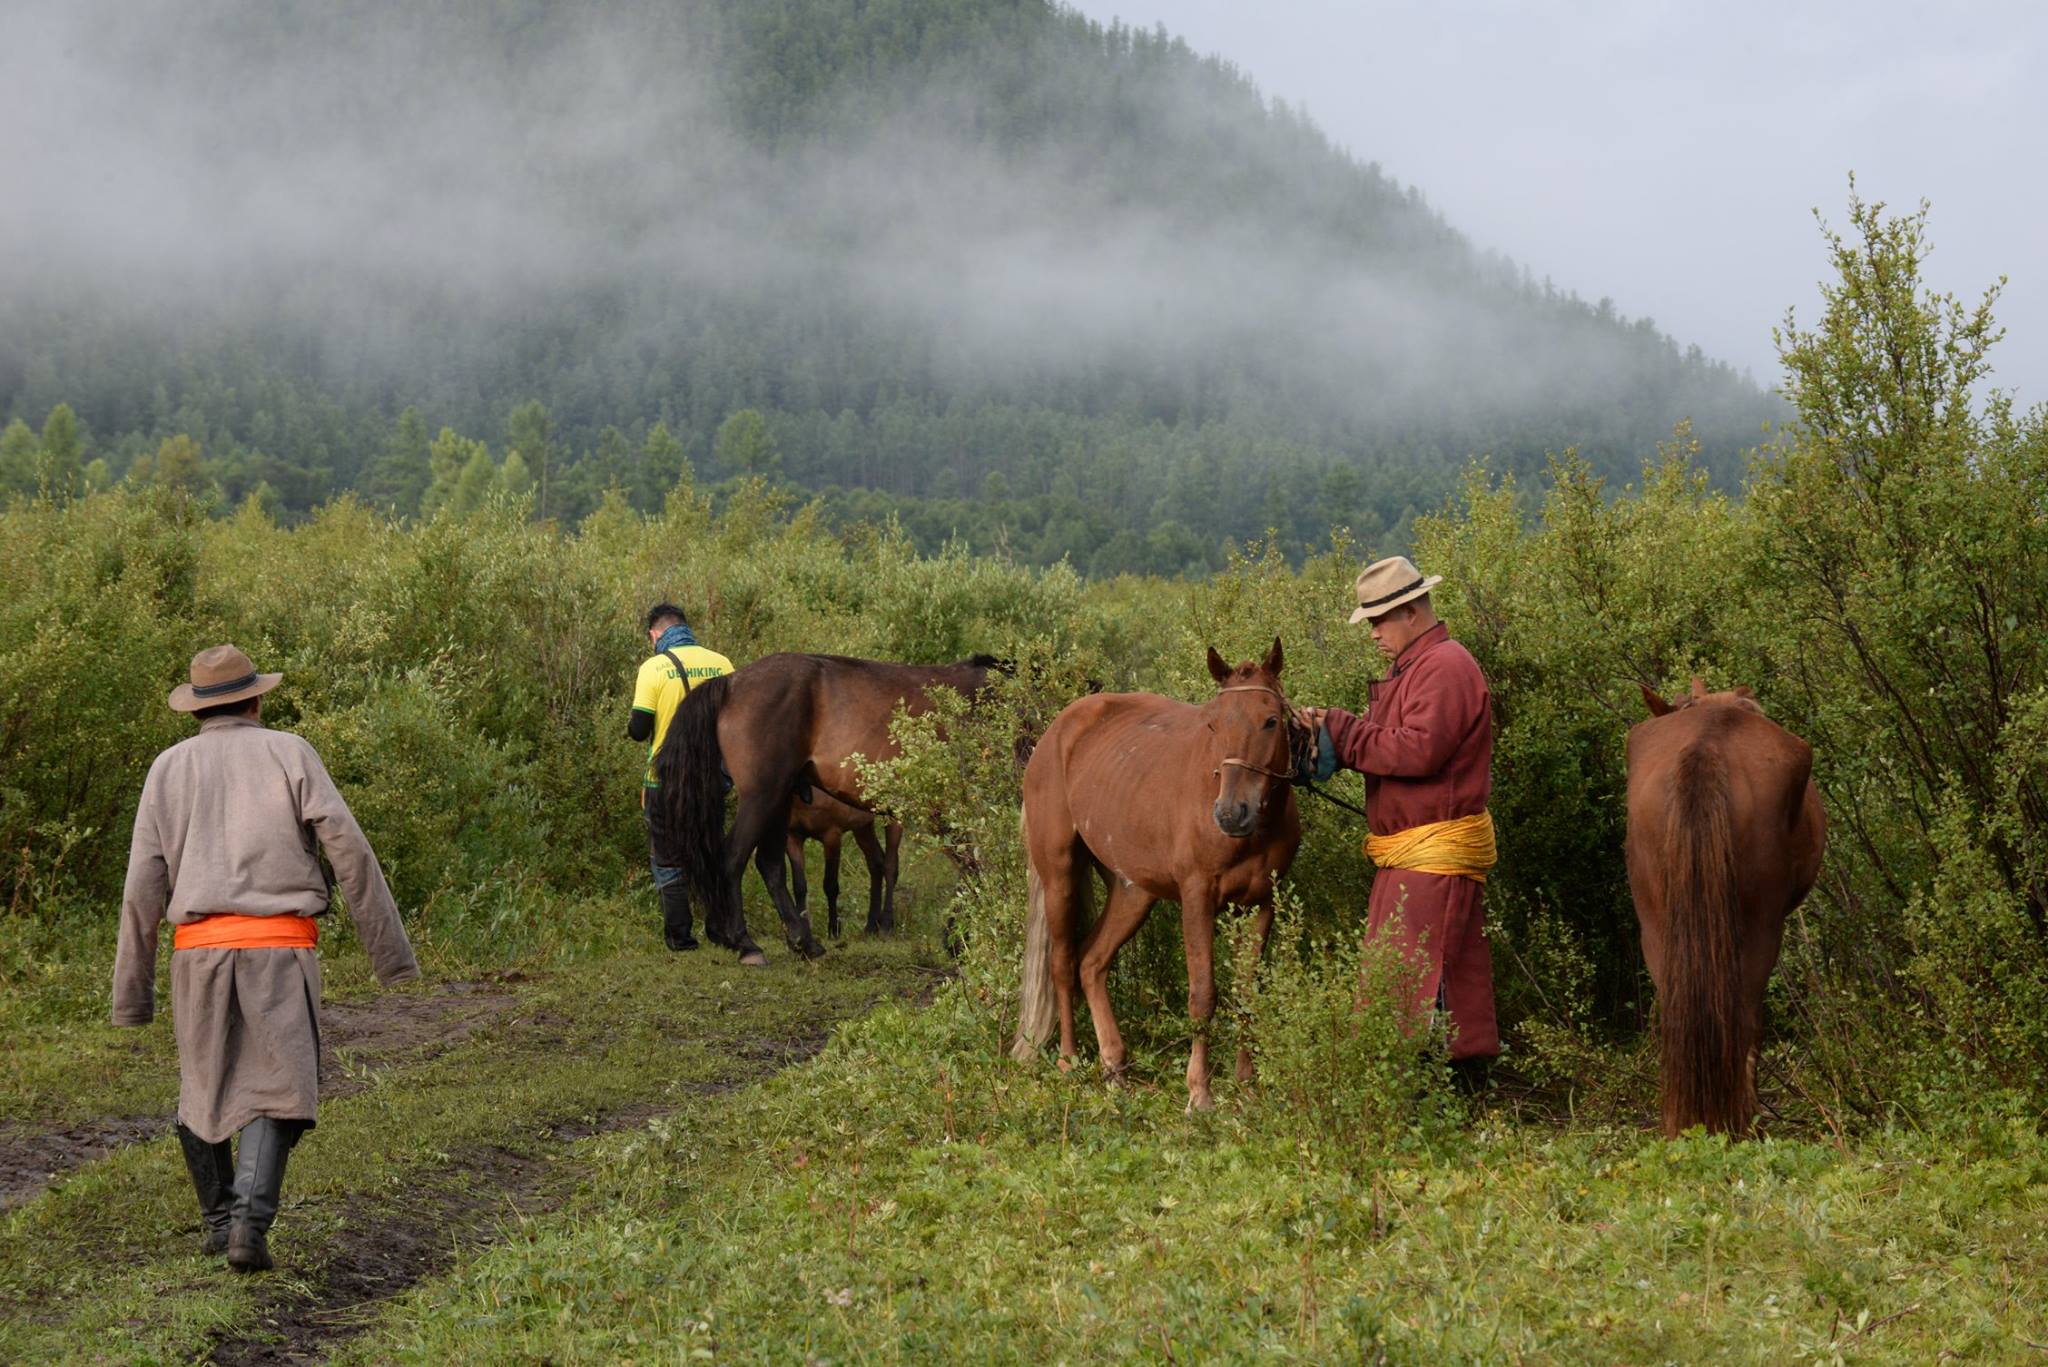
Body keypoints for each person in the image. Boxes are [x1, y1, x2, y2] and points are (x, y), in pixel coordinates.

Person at [113, 645, 418, 1272]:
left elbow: (142, 885)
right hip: (280, 949)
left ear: (198, 709)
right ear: (255, 700)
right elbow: (350, 853)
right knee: (283, 1086)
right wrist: (391, 956)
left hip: (195, 955)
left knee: (203, 1082)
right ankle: (247, 1222)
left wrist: (132, 995)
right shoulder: (289, 751)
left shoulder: (166, 769)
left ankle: (218, 1220)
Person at [1298, 556, 1499, 1087]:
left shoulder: (1447, 667)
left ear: (1410, 612)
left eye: (1377, 621)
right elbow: (1396, 743)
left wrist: (1342, 729)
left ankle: (1433, 1098)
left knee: (1424, 975)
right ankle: (1436, 1096)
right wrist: (1330, 740)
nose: (1372, 635)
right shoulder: (1418, 667)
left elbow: (1420, 751)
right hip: (1412, 854)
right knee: (1429, 973)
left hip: (1432, 855)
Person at [627, 602, 734, 952]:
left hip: (664, 783)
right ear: (685, 627)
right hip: (711, 781)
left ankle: (680, 938)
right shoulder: (722, 664)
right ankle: (720, 929)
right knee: (711, 851)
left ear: (654, 634)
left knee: (668, 859)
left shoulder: (653, 667)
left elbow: (639, 729)